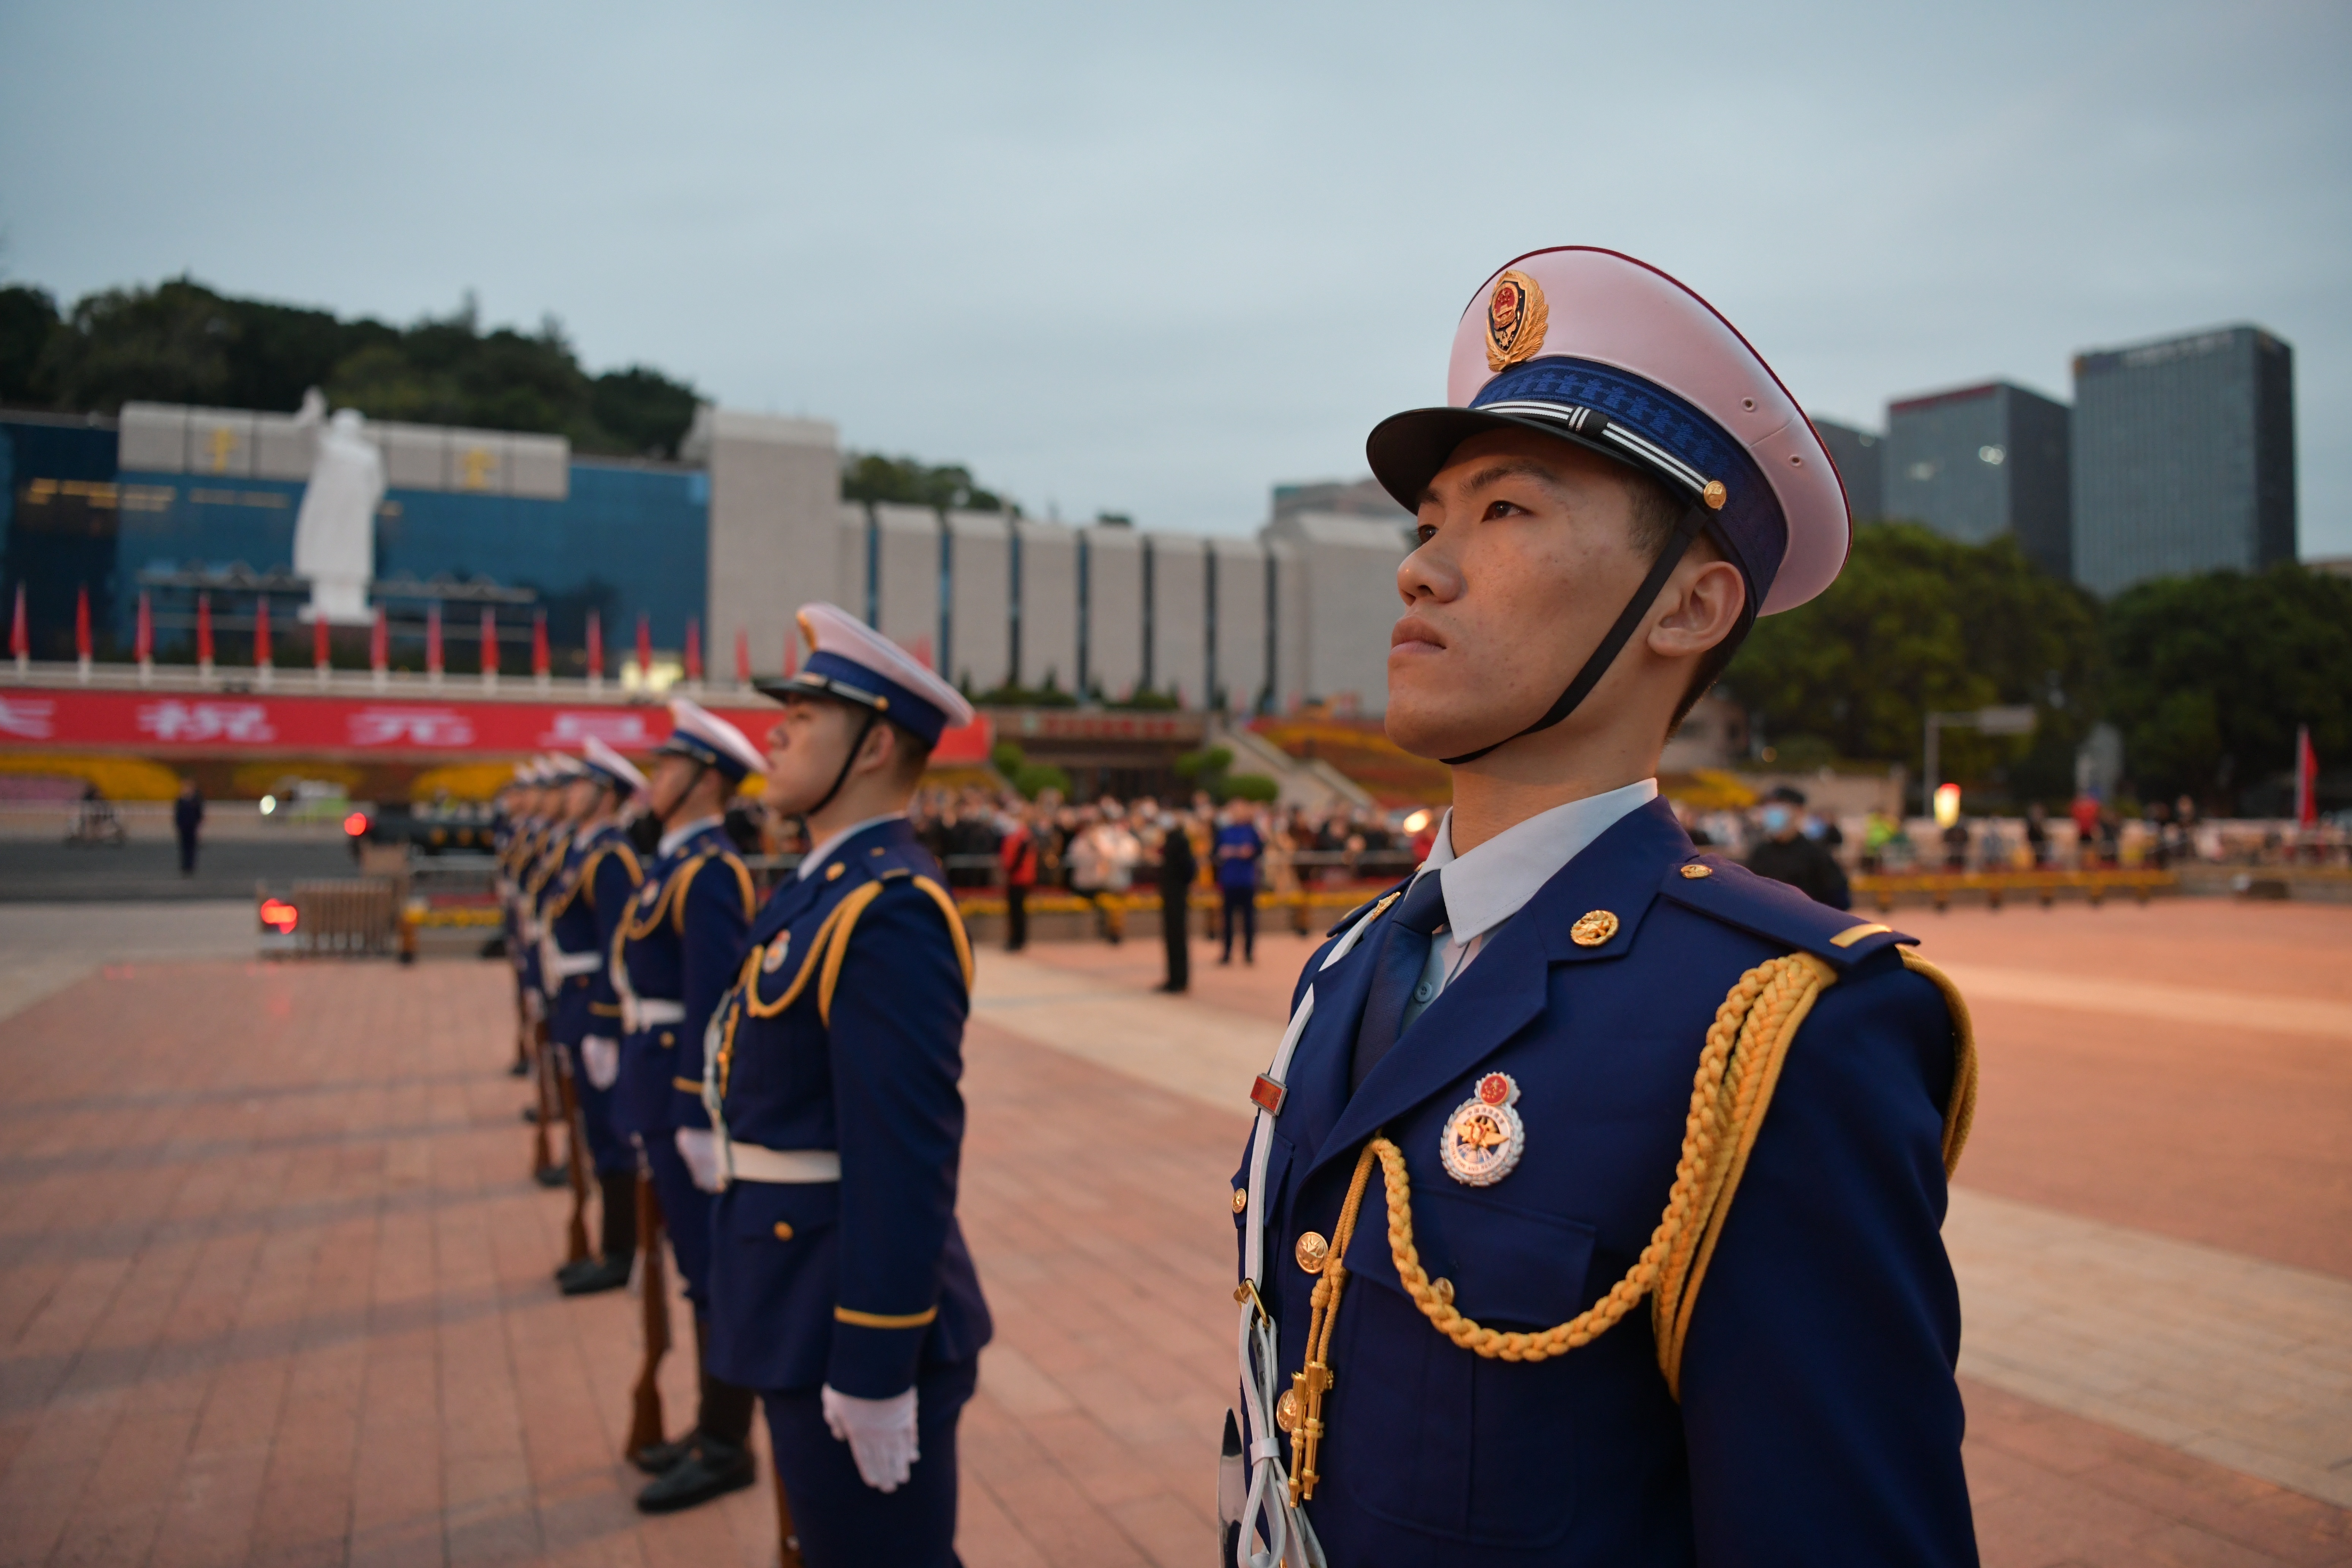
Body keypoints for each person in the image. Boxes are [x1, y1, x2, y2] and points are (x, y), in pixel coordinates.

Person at [1225, 248, 1977, 1566]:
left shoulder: (1779, 1031)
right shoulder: (1353, 964)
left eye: (1505, 512)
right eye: (1428, 522)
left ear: (1690, 604)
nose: (1421, 570)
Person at [703, 604, 992, 1568]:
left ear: (873, 745)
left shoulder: (888, 910)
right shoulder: (818, 887)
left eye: (804, 716)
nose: (774, 732)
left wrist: (874, 1361)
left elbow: (904, 1157)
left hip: (846, 1315)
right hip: (791, 1286)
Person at [612, 699, 767, 1513]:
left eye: (668, 769)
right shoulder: (673, 864)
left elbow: (713, 1005)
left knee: (713, 1276)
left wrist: (698, 1112)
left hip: (681, 1094)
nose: (652, 781)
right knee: (693, 1271)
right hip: (652, 1079)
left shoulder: (708, 871)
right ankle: (711, 1425)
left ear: (706, 781)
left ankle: (725, 1439)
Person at [541, 737, 648, 1296]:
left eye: (582, 785)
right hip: (574, 995)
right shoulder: (587, 851)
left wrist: (606, 1024)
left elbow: (616, 945)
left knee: (611, 1133)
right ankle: (612, 1244)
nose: (570, 795)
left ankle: (620, 1249)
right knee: (595, 1126)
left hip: (594, 1002)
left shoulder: (612, 859)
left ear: (606, 796)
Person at [1743, 786, 1851, 909]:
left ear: (1799, 812)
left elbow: (1840, 901)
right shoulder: (1760, 853)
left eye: (1781, 806)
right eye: (1770, 806)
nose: (1773, 812)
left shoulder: (1816, 855)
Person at [1216, 801, 1265, 964]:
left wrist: (1249, 852)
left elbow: (1259, 850)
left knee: (1249, 920)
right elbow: (1215, 852)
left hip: (1246, 880)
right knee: (1227, 920)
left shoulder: (1252, 832)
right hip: (1229, 881)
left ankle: (1248, 952)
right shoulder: (1224, 832)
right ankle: (1227, 952)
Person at [1155, 806, 1197, 992]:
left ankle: (1179, 979)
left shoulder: (1180, 840)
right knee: (1172, 937)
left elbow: (1188, 868)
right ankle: (1174, 977)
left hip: (1177, 893)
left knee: (1177, 936)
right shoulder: (1172, 839)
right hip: (1172, 892)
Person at [998, 805, 1038, 952]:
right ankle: (1015, 939)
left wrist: (1010, 872)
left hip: (1019, 879)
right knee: (1014, 911)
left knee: (1018, 912)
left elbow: (1018, 860)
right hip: (1015, 878)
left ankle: (1018, 940)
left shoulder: (1024, 837)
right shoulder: (1014, 836)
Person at [172, 778, 204, 876]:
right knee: (184, 847)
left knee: (192, 847)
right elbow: (177, 814)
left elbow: (199, 814)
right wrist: (178, 825)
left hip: (192, 827)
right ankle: (185, 866)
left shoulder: (196, 800)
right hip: (183, 827)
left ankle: (190, 866)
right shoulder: (180, 801)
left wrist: (198, 825)